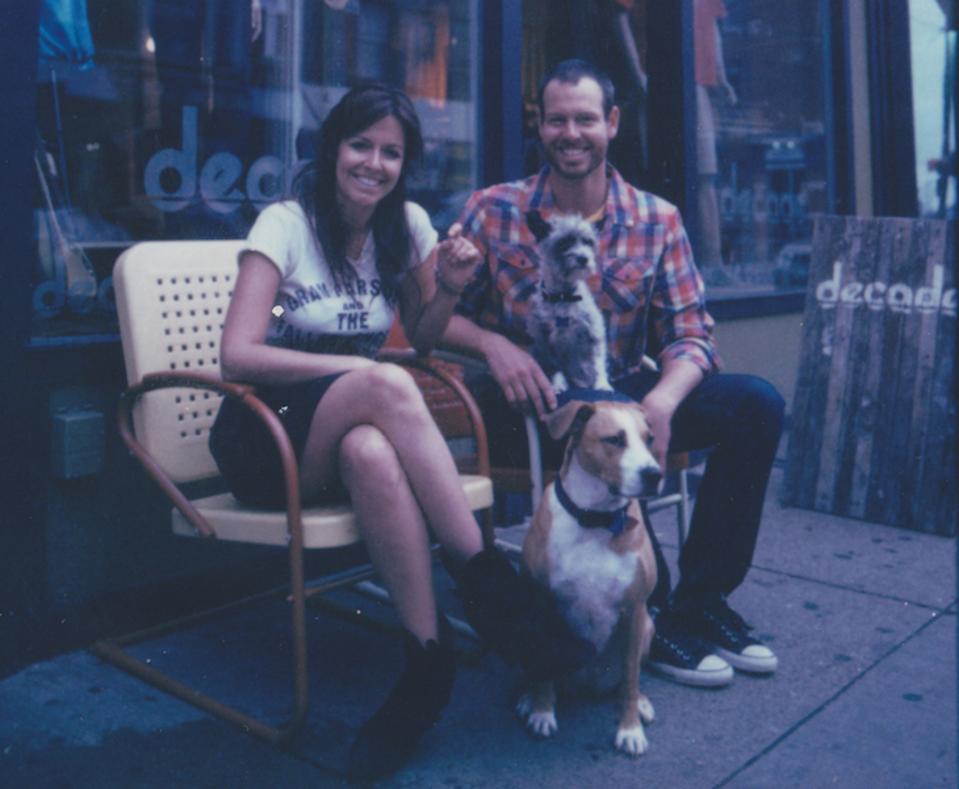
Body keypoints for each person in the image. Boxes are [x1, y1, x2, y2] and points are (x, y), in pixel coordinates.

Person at [208, 83, 592, 781]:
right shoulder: (284, 224)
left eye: (390, 153)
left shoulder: (406, 225)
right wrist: (354, 369)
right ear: (332, 149)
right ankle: (491, 587)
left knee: (371, 450)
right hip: (266, 433)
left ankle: (425, 663)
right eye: (360, 145)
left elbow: (421, 336)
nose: (374, 164)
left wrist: (449, 284)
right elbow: (237, 354)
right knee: (385, 384)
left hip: (342, 430)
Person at [442, 60, 785, 689]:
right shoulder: (493, 210)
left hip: (624, 395)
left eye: (586, 119)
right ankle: (650, 617)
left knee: (755, 404)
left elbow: (690, 332)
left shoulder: (658, 219)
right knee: (602, 409)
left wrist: (663, 401)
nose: (571, 134)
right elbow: (438, 317)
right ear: (539, 125)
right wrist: (492, 345)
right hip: (530, 402)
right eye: (557, 120)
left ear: (613, 123)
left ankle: (700, 603)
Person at [693, 0, 738, 283]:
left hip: (702, 87)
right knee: (704, 176)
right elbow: (620, 17)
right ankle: (711, 262)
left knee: (706, 176)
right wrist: (637, 74)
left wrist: (721, 79)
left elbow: (713, 28)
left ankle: (712, 263)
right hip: (671, 81)